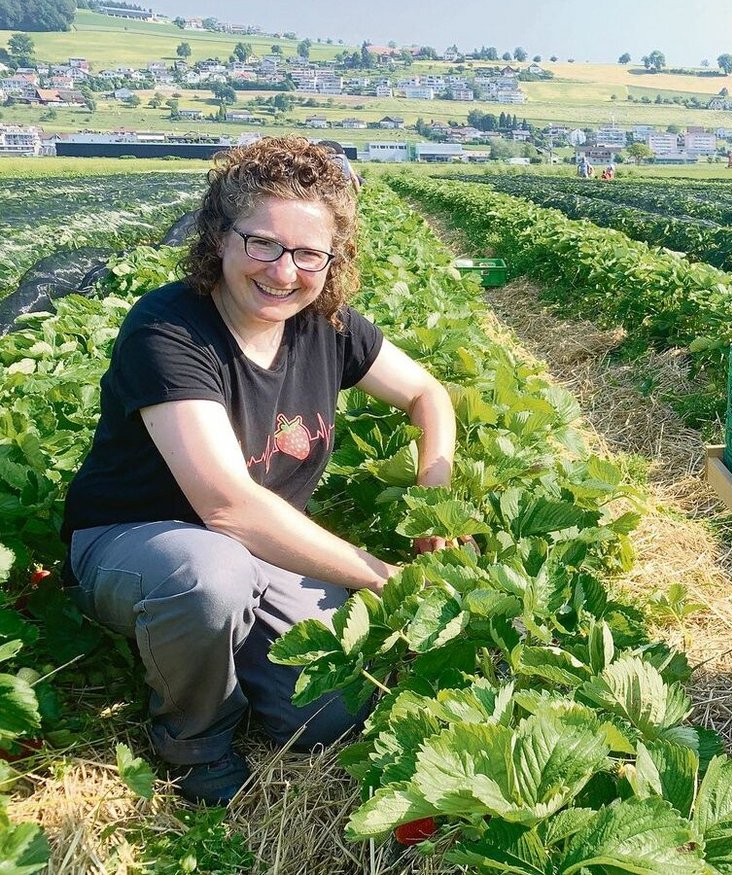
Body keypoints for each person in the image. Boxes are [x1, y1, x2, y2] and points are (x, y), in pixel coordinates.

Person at [60, 137, 456, 806]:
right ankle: (194, 737)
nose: (283, 272)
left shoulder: (327, 326)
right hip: (139, 544)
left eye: (308, 254)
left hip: (261, 552)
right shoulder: (169, 330)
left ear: (333, 260)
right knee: (210, 576)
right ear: (219, 235)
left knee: (330, 714)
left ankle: (218, 651)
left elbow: (429, 395)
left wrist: (434, 503)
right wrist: (378, 573)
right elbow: (228, 508)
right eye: (263, 243)